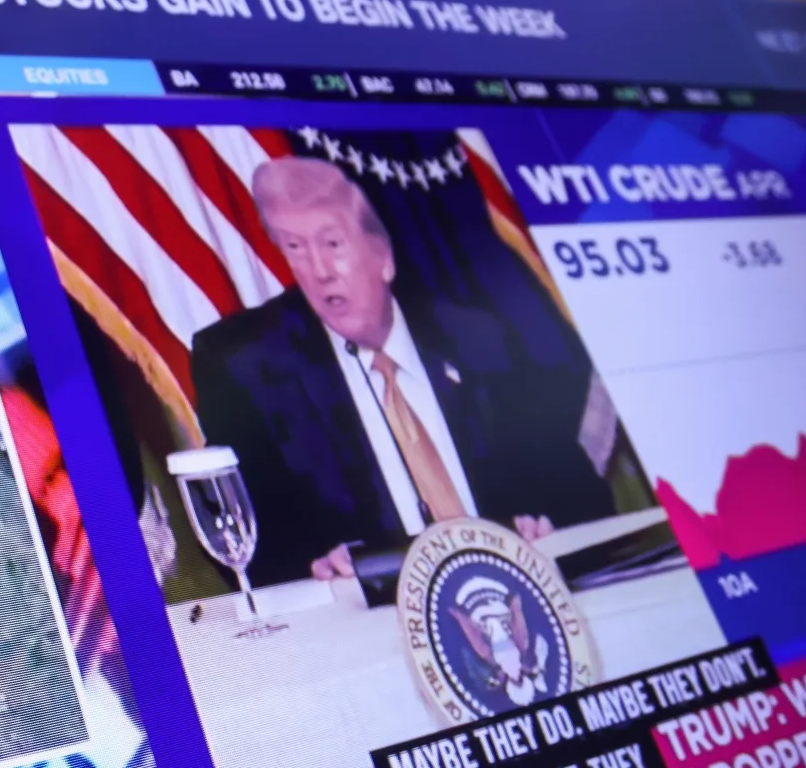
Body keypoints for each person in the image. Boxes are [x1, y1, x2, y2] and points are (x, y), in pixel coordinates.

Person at [188, 156, 614, 588]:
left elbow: (581, 496)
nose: (319, 272)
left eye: (333, 244)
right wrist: (315, 567)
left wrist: (546, 524)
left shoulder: (478, 337)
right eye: (296, 248)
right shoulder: (244, 365)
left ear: (384, 256)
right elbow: (241, 537)